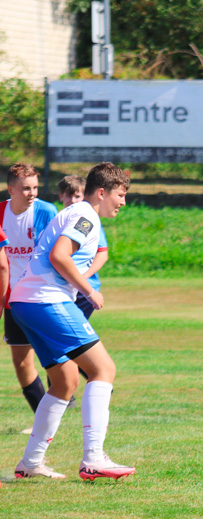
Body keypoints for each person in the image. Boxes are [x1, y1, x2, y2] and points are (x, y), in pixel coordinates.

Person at [11, 162, 135, 481]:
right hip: (45, 300)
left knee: (65, 381)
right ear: (103, 192)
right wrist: (89, 289)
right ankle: (93, 458)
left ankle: (30, 462)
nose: (123, 202)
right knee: (103, 369)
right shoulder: (85, 216)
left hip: (25, 301)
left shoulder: (79, 212)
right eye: (121, 195)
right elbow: (60, 255)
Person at [1, 164, 58, 416]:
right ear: (10, 189)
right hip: (11, 299)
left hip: (40, 296)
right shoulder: (0, 213)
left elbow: (55, 256)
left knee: (54, 355)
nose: (32, 193)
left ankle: (74, 395)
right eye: (25, 188)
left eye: (35, 187)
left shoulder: (46, 211)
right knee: (22, 363)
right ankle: (43, 415)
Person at [58, 175, 109, 320]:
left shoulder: (87, 220)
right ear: (61, 196)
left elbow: (102, 254)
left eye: (77, 196)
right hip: (64, 284)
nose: (73, 201)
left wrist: (81, 278)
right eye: (69, 196)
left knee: (69, 333)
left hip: (83, 287)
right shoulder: (61, 218)